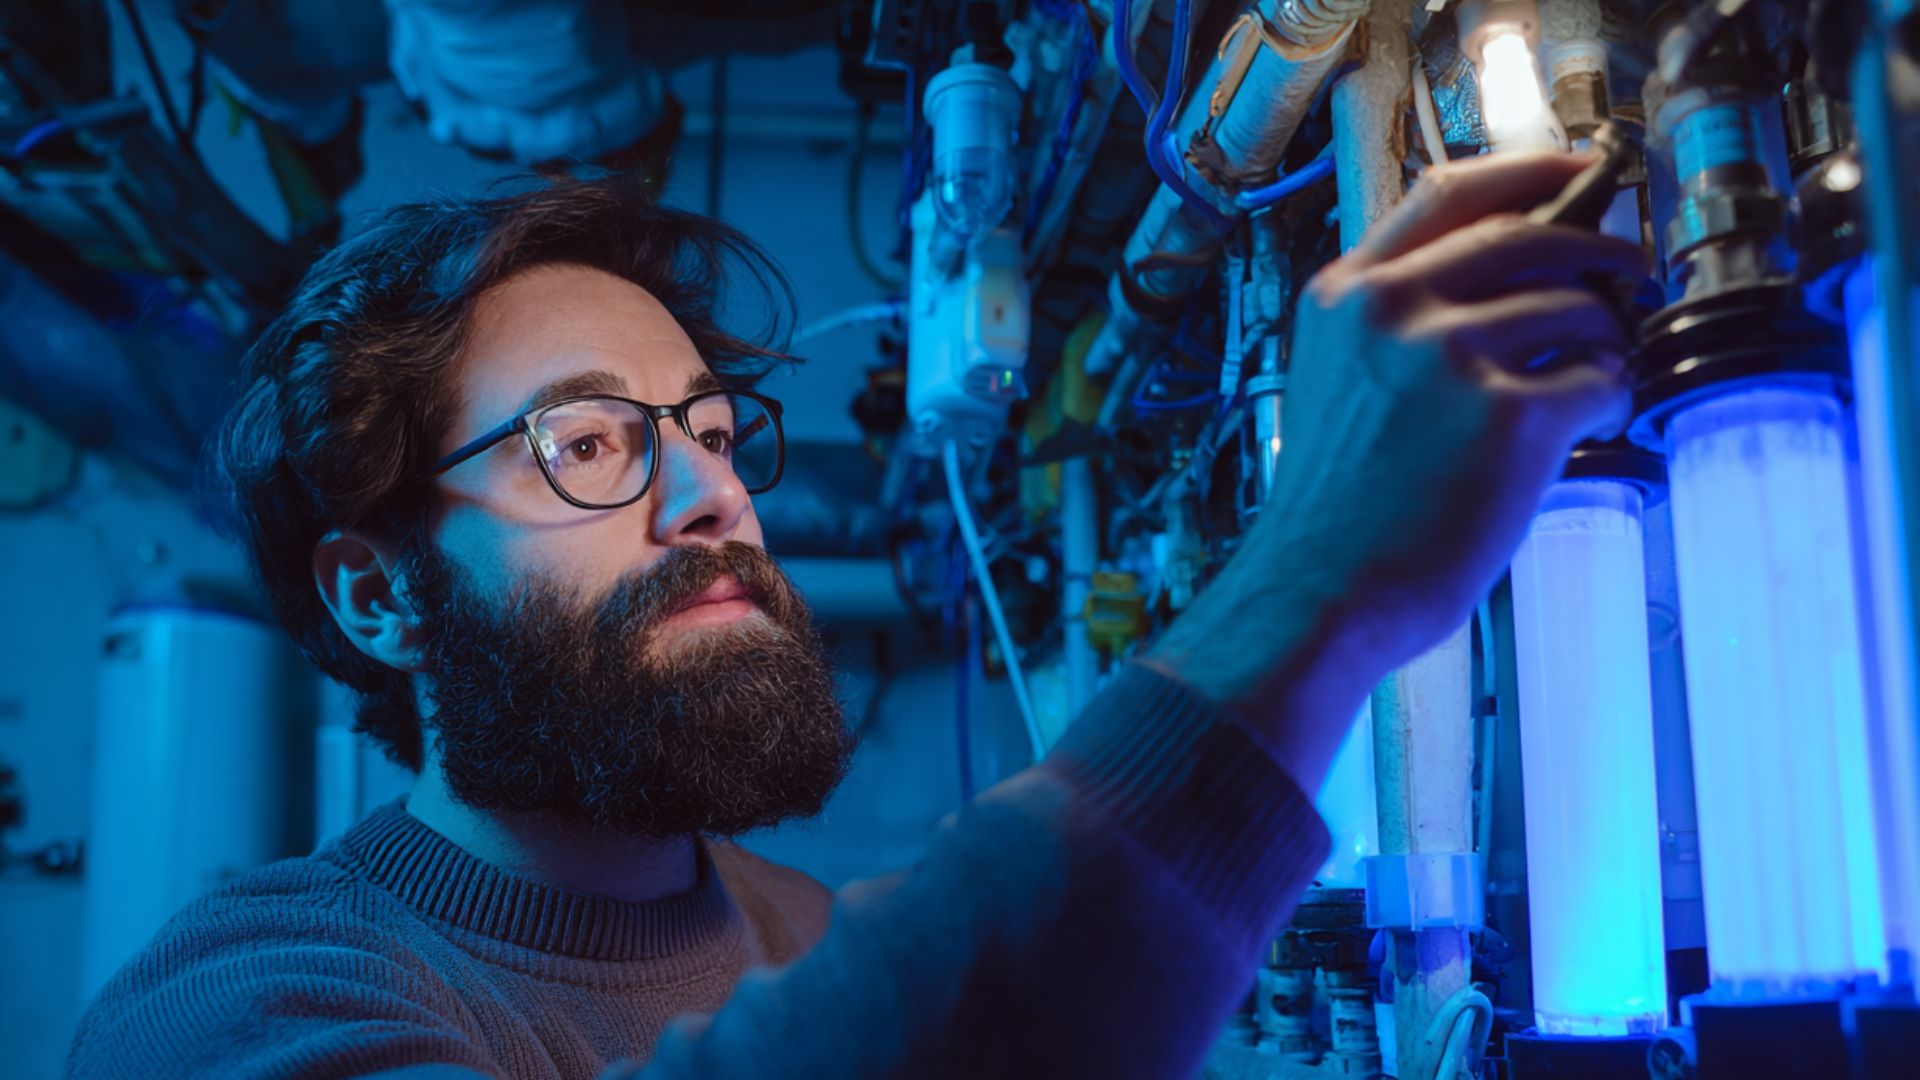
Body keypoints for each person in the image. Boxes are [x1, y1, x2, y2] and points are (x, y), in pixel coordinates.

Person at [68, 149, 1643, 1079]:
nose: (713, 498)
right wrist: (1310, 582)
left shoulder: (802, 939)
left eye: (709, 431)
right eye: (592, 442)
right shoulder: (239, 1010)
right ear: (378, 594)